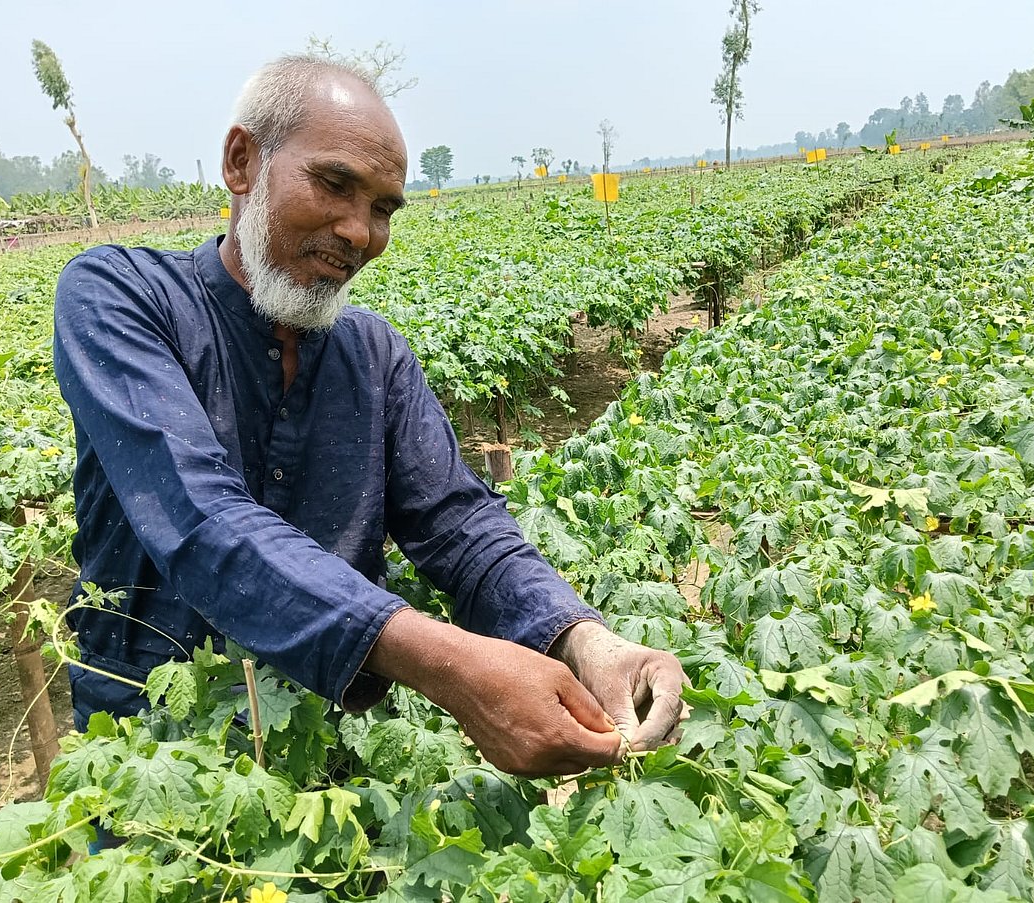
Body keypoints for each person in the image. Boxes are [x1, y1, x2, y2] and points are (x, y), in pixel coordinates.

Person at [52, 55, 687, 777]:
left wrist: (582, 639)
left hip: (327, 762)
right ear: (241, 162)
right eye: (334, 184)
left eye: (383, 208)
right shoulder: (117, 298)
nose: (360, 231)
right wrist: (449, 663)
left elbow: (459, 524)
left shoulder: (374, 354)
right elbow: (203, 519)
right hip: (153, 762)